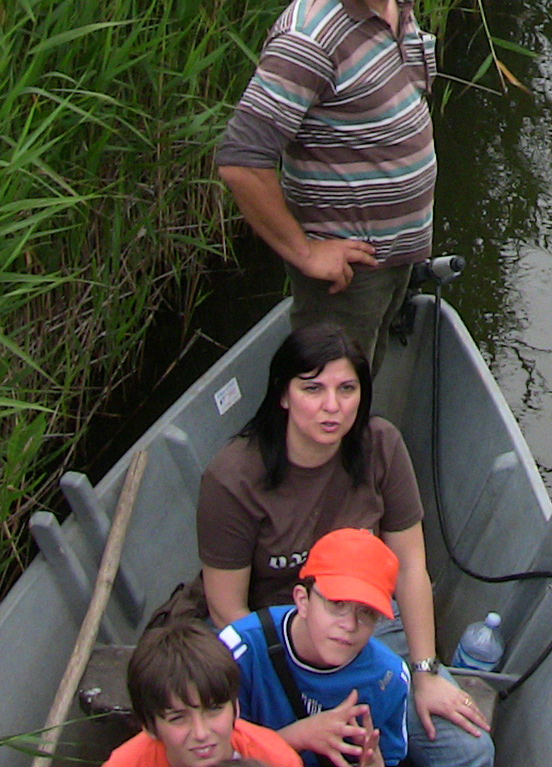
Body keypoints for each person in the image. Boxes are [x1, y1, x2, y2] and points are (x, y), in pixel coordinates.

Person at [198, 326, 490, 767]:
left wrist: (425, 671)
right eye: (312, 388)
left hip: (368, 626)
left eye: (347, 389)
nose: (332, 407)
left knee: (466, 751)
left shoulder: (381, 446)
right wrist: (299, 693)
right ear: (283, 395)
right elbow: (226, 610)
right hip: (274, 641)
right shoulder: (233, 476)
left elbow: (410, 566)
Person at [215, 0, 437, 368]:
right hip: (346, 282)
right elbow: (240, 159)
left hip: (394, 257)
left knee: (363, 391)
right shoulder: (310, 39)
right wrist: (306, 252)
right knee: (333, 411)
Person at [218, 529, 405, 767]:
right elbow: (207, 752)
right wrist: (298, 737)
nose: (349, 624)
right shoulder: (240, 649)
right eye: (337, 604)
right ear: (302, 600)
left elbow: (391, 757)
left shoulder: (389, 677)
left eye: (366, 612)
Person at [107, 624, 302, 767]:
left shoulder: (276, 760)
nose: (201, 733)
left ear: (236, 707)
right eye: (177, 718)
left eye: (214, 710)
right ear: (149, 726)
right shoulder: (125, 764)